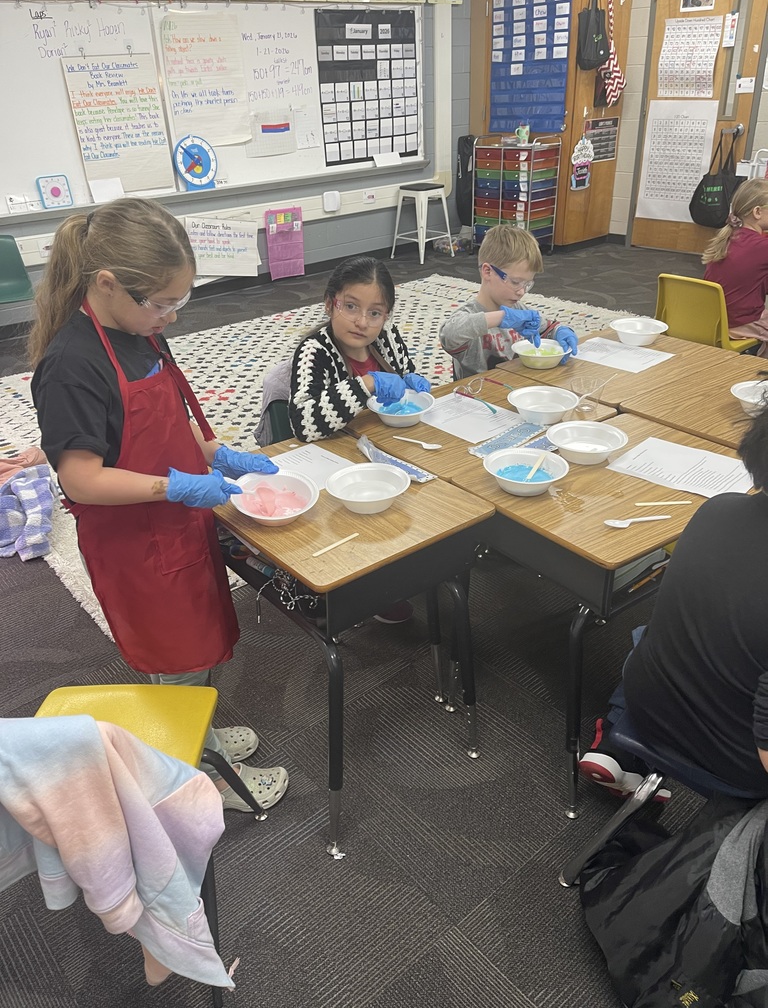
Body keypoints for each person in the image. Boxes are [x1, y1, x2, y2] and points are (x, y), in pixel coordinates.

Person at [29, 197, 289, 813]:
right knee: (173, 663)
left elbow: (173, 413)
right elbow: (81, 478)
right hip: (138, 548)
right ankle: (192, 777)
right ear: (107, 284)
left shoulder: (137, 329)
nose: (171, 317)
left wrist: (218, 454)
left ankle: (198, 730)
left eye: (181, 301)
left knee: (197, 648)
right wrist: (173, 485)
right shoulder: (72, 364)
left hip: (177, 529)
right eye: (162, 303)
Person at [580, 403, 768, 800]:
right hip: (729, 759)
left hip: (647, 701)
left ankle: (616, 739)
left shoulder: (718, 508)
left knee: (662, 628)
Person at [289, 255, 430, 624]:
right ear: (330, 302)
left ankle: (397, 570)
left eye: (375, 313)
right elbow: (305, 424)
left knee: (423, 501)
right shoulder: (314, 351)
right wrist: (365, 383)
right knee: (366, 518)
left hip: (385, 444)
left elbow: (405, 375)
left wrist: (413, 381)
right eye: (350, 307)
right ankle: (363, 586)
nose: (361, 322)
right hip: (336, 458)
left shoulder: (387, 339)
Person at [439, 224, 579, 379]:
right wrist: (500, 317)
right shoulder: (469, 314)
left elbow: (547, 328)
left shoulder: (518, 309)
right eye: (515, 282)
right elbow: (449, 335)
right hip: (477, 397)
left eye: (527, 284)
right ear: (488, 272)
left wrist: (560, 332)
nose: (521, 291)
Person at [702, 177, 768, 356]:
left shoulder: (728, 237)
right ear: (757, 212)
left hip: (712, 319)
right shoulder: (762, 247)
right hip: (738, 323)